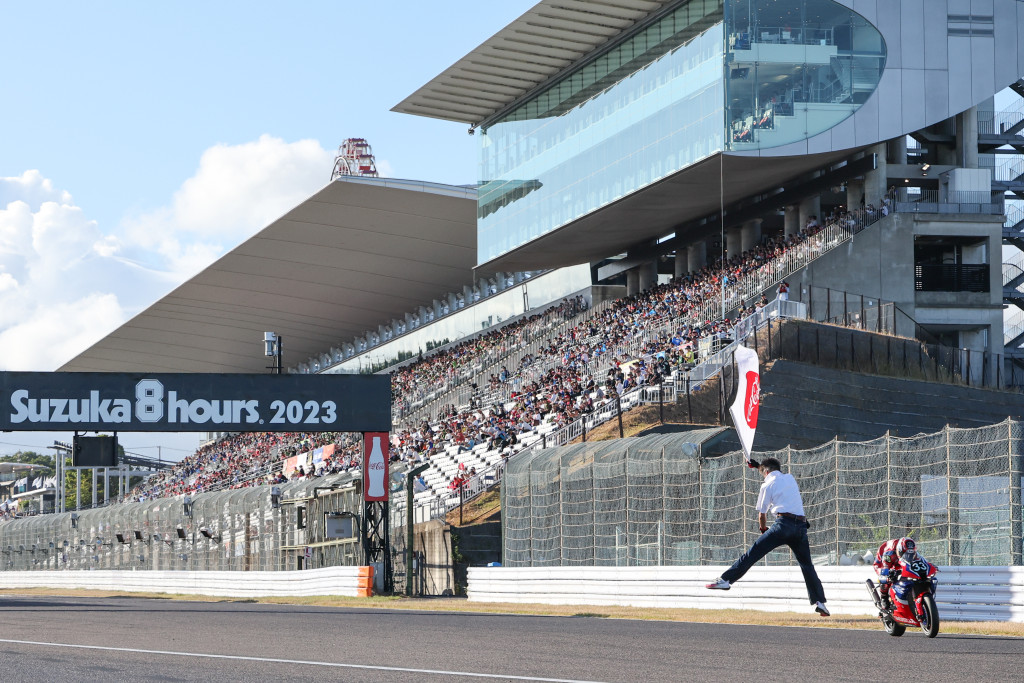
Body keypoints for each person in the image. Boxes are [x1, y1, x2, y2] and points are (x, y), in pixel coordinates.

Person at [706, 457, 830, 617]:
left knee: (753, 552)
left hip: (782, 525)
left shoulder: (766, 485)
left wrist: (763, 529)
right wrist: (757, 465)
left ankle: (725, 580)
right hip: (800, 527)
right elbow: (770, 471)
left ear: (766, 472)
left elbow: (761, 514)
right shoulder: (789, 478)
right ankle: (820, 602)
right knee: (807, 566)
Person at [872, 536, 918, 610]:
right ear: (899, 551)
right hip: (882, 561)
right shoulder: (889, 554)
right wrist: (889, 573)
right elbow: (885, 570)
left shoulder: (912, 551)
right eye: (905, 554)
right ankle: (884, 597)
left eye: (910, 554)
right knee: (887, 576)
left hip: (898, 560)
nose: (908, 556)